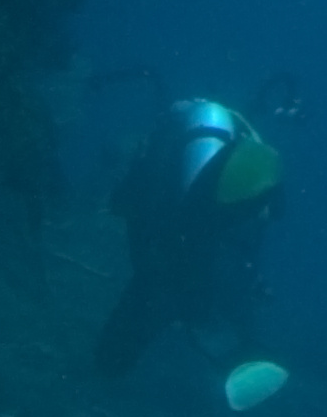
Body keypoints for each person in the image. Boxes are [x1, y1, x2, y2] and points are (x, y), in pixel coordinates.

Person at [95, 93, 283, 378]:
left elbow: (126, 203)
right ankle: (236, 356)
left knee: (143, 315)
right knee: (190, 298)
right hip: (194, 244)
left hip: (173, 246)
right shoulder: (224, 149)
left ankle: (105, 374)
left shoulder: (173, 151)